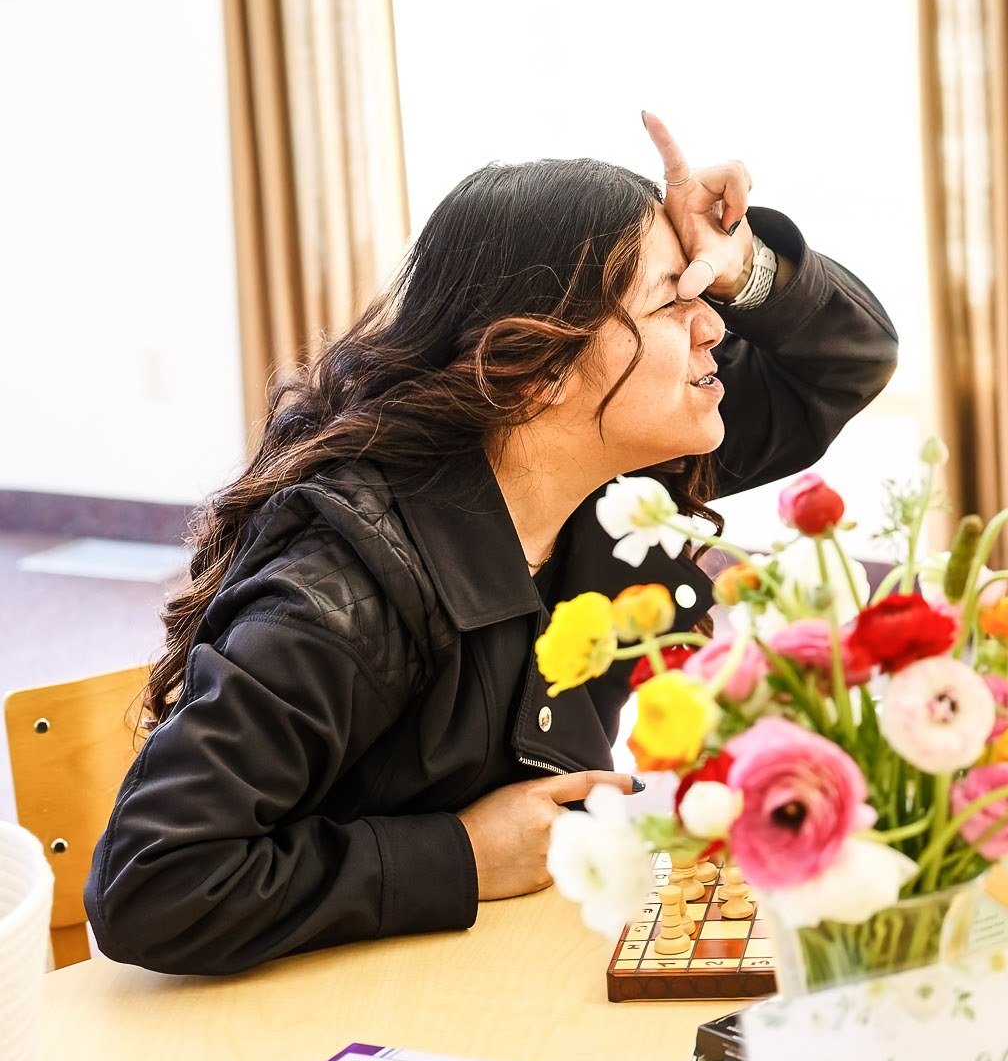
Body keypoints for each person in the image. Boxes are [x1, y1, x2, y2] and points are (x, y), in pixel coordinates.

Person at [85, 115, 898, 974]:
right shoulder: (349, 584)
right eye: (674, 298)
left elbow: (847, 360)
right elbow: (153, 881)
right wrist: (461, 855)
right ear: (535, 367)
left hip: (483, 972)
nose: (713, 328)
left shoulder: (619, 485)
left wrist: (741, 263)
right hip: (326, 1023)